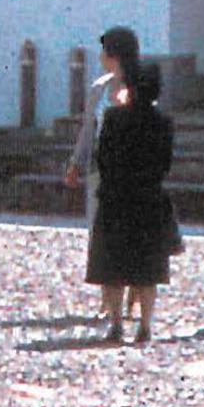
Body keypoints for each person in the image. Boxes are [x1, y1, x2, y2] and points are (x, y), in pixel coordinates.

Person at [85, 61, 175, 343]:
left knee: (112, 267)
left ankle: (116, 324)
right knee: (147, 269)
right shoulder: (163, 121)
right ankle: (145, 325)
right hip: (149, 199)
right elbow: (165, 163)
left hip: (115, 198)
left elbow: (102, 158)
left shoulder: (113, 118)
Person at [66, 26, 139, 323]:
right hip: (100, 169)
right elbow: (88, 130)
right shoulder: (99, 88)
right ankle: (108, 298)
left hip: (132, 173)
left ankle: (134, 292)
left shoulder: (140, 87)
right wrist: (75, 162)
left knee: (133, 233)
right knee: (100, 234)